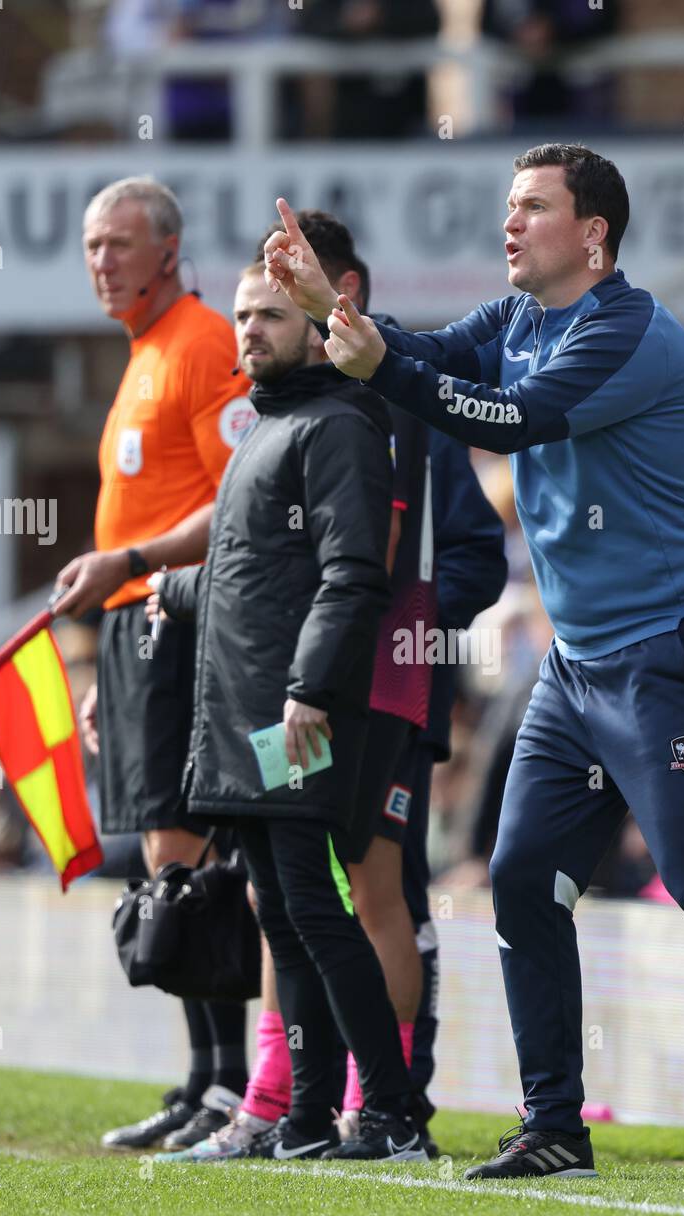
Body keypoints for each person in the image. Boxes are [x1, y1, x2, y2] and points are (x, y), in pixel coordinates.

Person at [264, 142, 684, 1183]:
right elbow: (426, 351)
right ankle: (555, 1124)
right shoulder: (521, 315)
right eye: (508, 205)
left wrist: (376, 358)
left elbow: (510, 420)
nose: (507, 223)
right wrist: (326, 309)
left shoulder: (633, 333)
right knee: (522, 879)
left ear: (592, 234)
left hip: (674, 656)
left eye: (530, 207)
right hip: (578, 666)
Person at [152, 259, 427, 1163]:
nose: (249, 329)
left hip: (292, 716)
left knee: (313, 905)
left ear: (318, 328)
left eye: (270, 314)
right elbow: (252, 578)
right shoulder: (269, 428)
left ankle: (388, 1114)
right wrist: (172, 589)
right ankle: (308, 1116)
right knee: (282, 912)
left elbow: (354, 576)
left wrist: (309, 689)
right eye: (240, 315)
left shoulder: (341, 424)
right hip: (245, 716)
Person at [53, 176, 254, 1151]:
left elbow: (238, 502)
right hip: (136, 633)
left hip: (178, 621)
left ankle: (228, 1083)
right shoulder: (141, 354)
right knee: (158, 856)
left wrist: (131, 570)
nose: (102, 261)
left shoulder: (204, 342)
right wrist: (104, 671)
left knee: (189, 859)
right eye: (92, 246)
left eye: (119, 244)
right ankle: (201, 1077)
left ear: (168, 251)